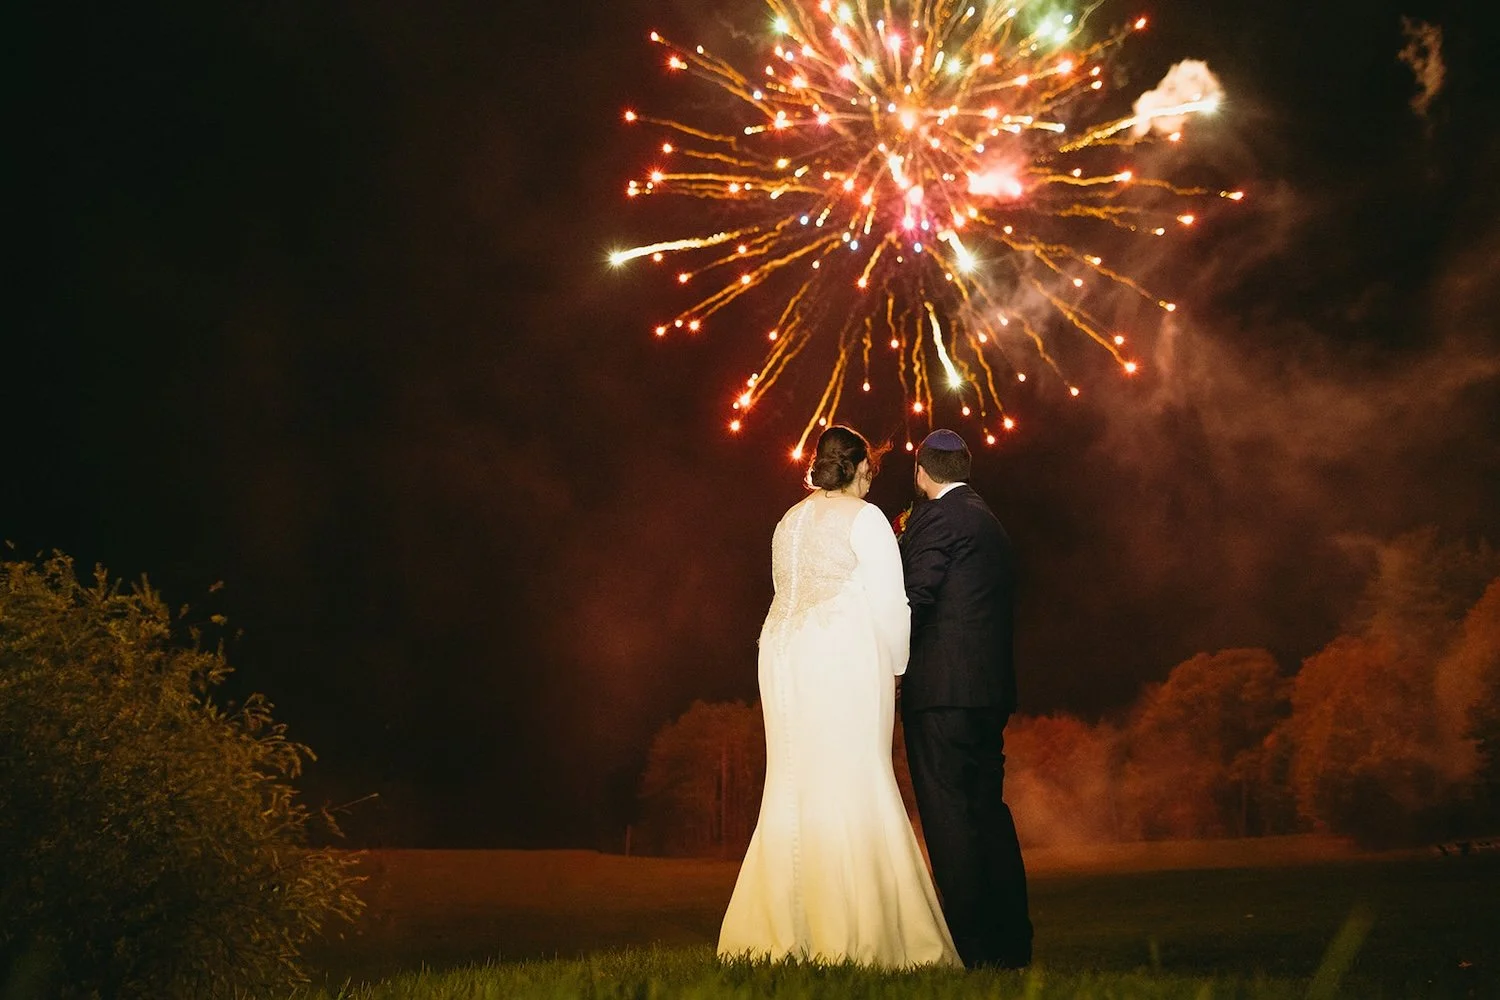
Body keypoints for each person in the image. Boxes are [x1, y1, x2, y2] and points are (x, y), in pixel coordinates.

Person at [717, 426, 960, 968]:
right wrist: (897, 669)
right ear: (860, 470)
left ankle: (778, 932)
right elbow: (891, 605)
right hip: (839, 655)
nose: (872, 483)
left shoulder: (789, 519)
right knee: (856, 774)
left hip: (781, 654)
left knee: (791, 781)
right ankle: (862, 932)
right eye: (871, 471)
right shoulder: (865, 518)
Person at [897, 428, 1033, 969]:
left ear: (921, 471)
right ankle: (1011, 943)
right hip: (987, 693)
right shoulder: (988, 519)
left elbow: (916, 596)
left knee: (949, 817)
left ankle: (971, 947)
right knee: (988, 814)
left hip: (941, 693)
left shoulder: (938, 519)